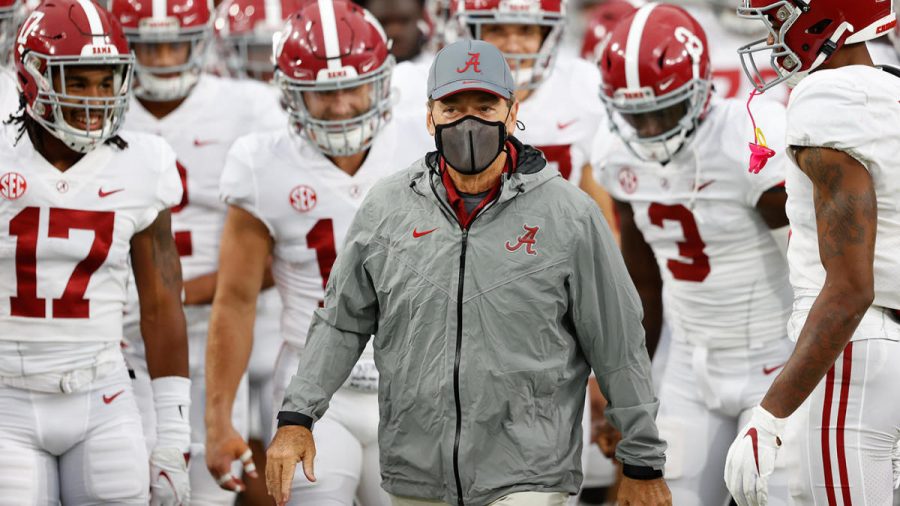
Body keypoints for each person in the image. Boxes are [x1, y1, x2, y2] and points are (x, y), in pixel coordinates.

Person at [265, 38, 671, 506]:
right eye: (453, 107)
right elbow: (340, 321)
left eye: (485, 104)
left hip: (529, 469)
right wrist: (297, 417)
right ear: (430, 115)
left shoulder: (569, 214)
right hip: (418, 469)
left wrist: (642, 460)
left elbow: (617, 341)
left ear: (512, 110)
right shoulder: (387, 208)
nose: (469, 120)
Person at [206, 1, 431, 504]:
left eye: (353, 86)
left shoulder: (425, 141)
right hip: (310, 390)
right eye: (322, 93)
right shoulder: (262, 163)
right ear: (289, 95)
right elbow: (236, 300)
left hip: (416, 385)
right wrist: (219, 420)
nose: (343, 106)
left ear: (383, 81)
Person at [591, 4, 794, 505]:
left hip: (778, 360)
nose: (653, 128)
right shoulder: (615, 154)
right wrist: (623, 391)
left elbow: (815, 260)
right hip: (688, 366)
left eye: (666, 108)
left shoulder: (748, 135)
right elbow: (642, 284)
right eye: (637, 115)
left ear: (703, 89)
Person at [0, 0, 191, 503]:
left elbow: (161, 303)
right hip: (6, 399)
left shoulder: (143, 164)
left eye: (106, 82)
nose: (95, 99)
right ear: (30, 80)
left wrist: (172, 436)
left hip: (101, 395)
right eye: (77, 82)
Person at [107, 0, 285, 502]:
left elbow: (286, 234)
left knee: (234, 474)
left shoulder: (249, 105)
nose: (163, 58)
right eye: (148, 44)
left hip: (225, 326)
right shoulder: (96, 98)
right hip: (124, 330)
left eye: (175, 42)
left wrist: (181, 293)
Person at [724, 1, 900, 505]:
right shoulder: (889, 88)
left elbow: (850, 288)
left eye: (779, 15)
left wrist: (770, 416)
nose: (772, 31)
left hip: (855, 354)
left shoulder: (827, 97)